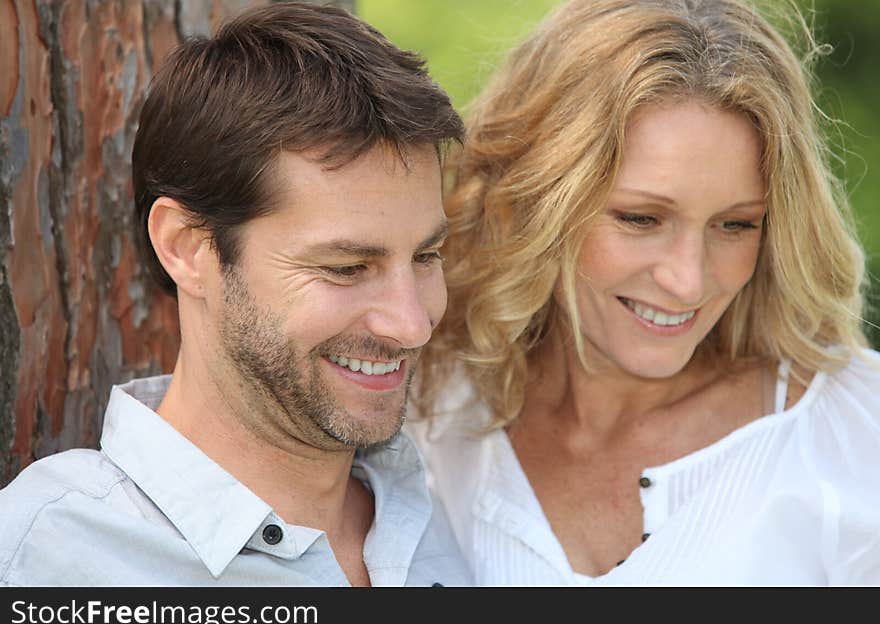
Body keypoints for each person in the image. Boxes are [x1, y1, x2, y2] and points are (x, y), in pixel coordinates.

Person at [409, 0, 880, 585]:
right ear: (534, 201)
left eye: (735, 225)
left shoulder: (857, 437)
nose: (688, 280)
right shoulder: (428, 404)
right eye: (640, 218)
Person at [0, 1, 470, 587]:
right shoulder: (52, 559)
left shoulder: (449, 526)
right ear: (187, 247)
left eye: (426, 257)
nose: (412, 324)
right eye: (347, 267)